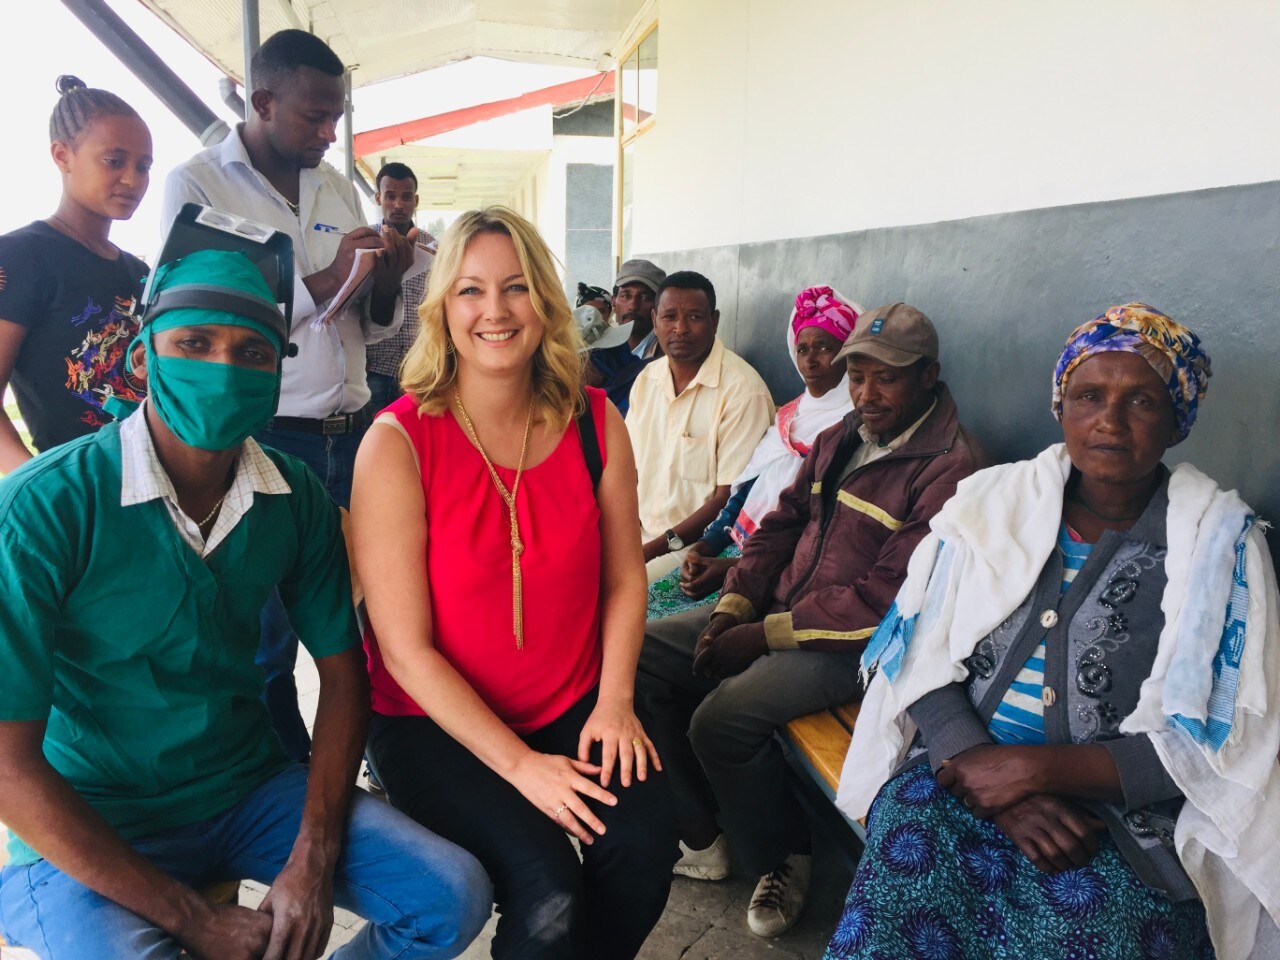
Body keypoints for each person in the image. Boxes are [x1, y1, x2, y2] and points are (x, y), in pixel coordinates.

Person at [0, 249, 491, 960]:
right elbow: (9, 766)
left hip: (243, 792)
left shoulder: (294, 500)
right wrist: (193, 921)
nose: (223, 369)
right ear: (142, 360)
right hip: (91, 814)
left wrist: (313, 860)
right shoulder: (45, 508)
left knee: (451, 894)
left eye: (252, 351)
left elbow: (344, 678)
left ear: (277, 374)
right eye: (194, 344)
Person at [826, 304, 1280, 960]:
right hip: (959, 778)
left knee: (1100, 930)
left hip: (1121, 820)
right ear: (1061, 407)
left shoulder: (1220, 546)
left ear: (1177, 421)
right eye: (1090, 396)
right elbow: (921, 655)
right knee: (903, 893)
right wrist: (987, 772)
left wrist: (1034, 770)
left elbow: (1222, 740)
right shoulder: (992, 506)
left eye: (1142, 401)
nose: (1111, 422)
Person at [351, 206, 678, 960]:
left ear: (548, 304)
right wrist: (524, 768)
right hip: (433, 725)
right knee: (548, 892)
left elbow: (627, 579)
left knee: (641, 847)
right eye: (470, 291)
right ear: (441, 310)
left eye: (517, 287)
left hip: (572, 699)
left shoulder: (597, 421)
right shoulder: (398, 443)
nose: (495, 311)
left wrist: (617, 702)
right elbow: (403, 651)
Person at [637, 302, 988, 938]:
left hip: (856, 649)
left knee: (720, 720)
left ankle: (783, 857)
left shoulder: (949, 469)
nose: (866, 393)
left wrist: (760, 634)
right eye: (857, 376)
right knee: (634, 655)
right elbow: (779, 526)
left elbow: (887, 600)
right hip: (776, 612)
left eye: (886, 377)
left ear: (929, 376)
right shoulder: (844, 435)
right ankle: (702, 832)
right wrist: (733, 607)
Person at [163, 29, 416, 762]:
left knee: (376, 612)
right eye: (314, 117)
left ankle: (385, 768)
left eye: (336, 117)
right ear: (262, 101)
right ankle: (285, 782)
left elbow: (371, 319)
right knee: (267, 631)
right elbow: (207, 317)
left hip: (357, 428)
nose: (329, 134)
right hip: (267, 434)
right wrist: (327, 275)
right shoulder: (199, 185)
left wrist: (387, 277)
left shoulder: (337, 186)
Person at [648, 285, 860, 620]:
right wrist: (704, 548)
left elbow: (819, 537)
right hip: (733, 549)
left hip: (776, 573)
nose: (811, 360)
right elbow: (743, 495)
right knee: (640, 607)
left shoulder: (854, 430)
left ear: (848, 353)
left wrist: (733, 566)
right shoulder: (789, 418)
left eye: (825, 347)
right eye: (802, 349)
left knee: (653, 630)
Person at [0, 77, 151, 473]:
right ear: (62, 155)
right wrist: (42, 490)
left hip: (154, 485)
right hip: (76, 499)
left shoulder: (140, 273)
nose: (133, 179)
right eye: (114, 161)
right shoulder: (19, 257)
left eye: (143, 166)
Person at [627, 270, 774, 584]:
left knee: (617, 594)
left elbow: (725, 501)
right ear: (655, 320)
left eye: (694, 317)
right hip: (639, 535)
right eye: (669, 316)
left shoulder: (743, 391)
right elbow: (628, 470)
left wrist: (650, 550)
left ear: (715, 320)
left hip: (696, 548)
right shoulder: (647, 381)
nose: (680, 328)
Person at [366, 161, 437, 412]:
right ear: (378, 198)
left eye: (406, 197)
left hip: (421, 371)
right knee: (375, 442)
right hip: (374, 369)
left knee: (418, 444)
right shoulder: (365, 246)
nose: (398, 204)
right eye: (390, 196)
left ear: (415, 200)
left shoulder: (435, 250)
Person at [586, 259, 666, 415]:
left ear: (658, 306)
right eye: (626, 295)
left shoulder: (666, 357)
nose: (633, 306)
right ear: (614, 302)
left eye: (644, 298)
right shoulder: (597, 352)